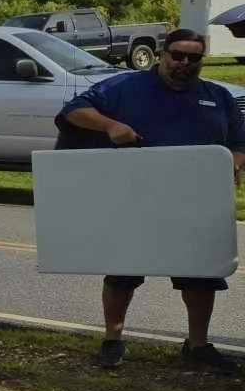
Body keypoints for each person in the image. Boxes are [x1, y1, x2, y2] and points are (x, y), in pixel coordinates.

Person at [56, 27, 245, 370]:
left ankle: (197, 345)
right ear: (162, 54)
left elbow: (239, 140)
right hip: (135, 197)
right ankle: (113, 340)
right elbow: (74, 110)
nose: (184, 63)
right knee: (123, 271)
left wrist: (234, 161)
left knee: (202, 274)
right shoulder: (123, 87)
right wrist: (110, 126)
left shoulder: (218, 96)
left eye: (193, 58)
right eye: (177, 55)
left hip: (195, 203)